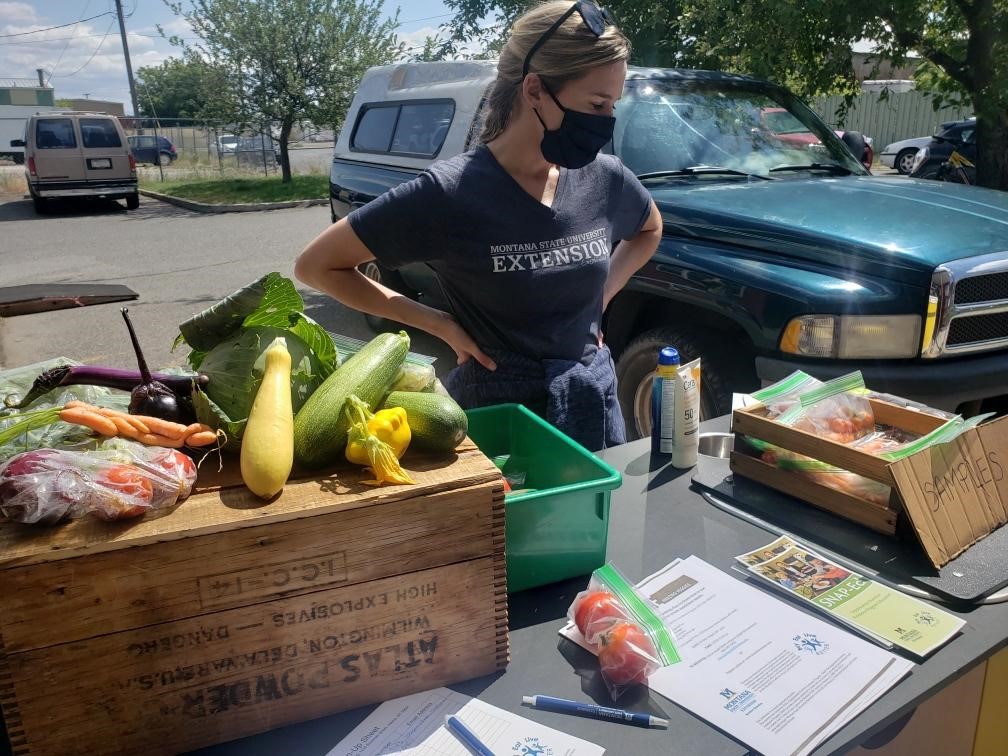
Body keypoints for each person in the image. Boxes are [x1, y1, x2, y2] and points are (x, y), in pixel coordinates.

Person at [294, 1, 663, 451]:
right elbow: (318, 266)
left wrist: (598, 298)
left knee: (594, 521)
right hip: (500, 413)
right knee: (506, 524)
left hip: (591, 404)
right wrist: (440, 324)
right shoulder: (450, 193)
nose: (607, 120)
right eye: (597, 103)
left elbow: (648, 230)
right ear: (534, 90)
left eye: (613, 104)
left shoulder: (605, 177)